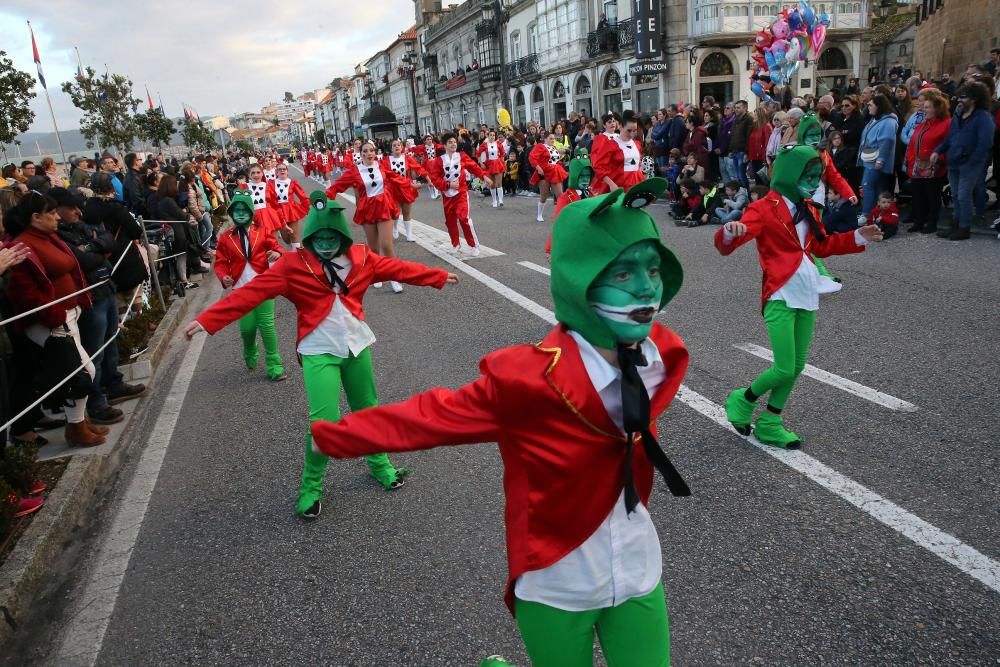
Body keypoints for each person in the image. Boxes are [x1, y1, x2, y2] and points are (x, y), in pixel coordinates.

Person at [310, 178, 691, 667]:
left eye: (654, 269)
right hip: (557, 577)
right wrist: (335, 437)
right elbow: (432, 416)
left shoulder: (661, 356)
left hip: (639, 568)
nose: (646, 288)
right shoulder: (527, 380)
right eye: (621, 274)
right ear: (580, 277)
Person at [185, 192, 459, 519]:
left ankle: (380, 464)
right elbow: (250, 294)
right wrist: (207, 319)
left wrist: (437, 276)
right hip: (318, 350)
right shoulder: (291, 265)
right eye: (319, 237)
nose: (326, 243)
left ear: (343, 236)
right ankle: (311, 487)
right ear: (310, 237)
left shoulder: (361, 257)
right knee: (323, 423)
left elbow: (397, 268)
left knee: (368, 411)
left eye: (332, 237)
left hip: (356, 344)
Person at [717, 145, 883, 447]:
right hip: (780, 293)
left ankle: (771, 422)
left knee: (796, 367)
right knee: (783, 366)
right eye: (808, 177)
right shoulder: (763, 208)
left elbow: (819, 246)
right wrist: (731, 230)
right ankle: (743, 398)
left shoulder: (809, 209)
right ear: (790, 174)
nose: (814, 183)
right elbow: (727, 244)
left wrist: (858, 237)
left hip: (806, 291)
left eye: (817, 177)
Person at [5, 192, 108, 447]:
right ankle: (75, 426)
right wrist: (55, 315)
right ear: (35, 218)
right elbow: (25, 294)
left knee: (80, 370)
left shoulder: (50, 237)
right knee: (82, 371)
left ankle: (79, 423)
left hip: (69, 314)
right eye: (51, 213)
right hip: (52, 320)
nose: (56, 217)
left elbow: (73, 265)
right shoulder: (21, 246)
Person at [211, 189, 286, 382]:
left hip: (263, 286)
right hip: (241, 289)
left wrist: (277, 253)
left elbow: (276, 247)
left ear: (251, 212)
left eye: (245, 209)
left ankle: (274, 365)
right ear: (232, 213)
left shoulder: (262, 231)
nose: (241, 213)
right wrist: (224, 276)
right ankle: (250, 349)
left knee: (267, 326)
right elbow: (220, 262)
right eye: (237, 210)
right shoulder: (226, 238)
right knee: (247, 329)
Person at [326, 141, 411, 293]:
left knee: (387, 244)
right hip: (367, 209)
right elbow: (338, 185)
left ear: (375, 152)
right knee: (374, 247)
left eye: (371, 150)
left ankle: (394, 277)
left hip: (384, 206)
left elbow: (394, 177)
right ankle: (377, 274)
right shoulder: (354, 171)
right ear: (361, 154)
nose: (369, 153)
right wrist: (325, 198)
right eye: (365, 151)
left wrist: (411, 184)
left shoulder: (381, 165)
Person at [931, 82, 995, 241]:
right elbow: (950, 137)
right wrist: (938, 151)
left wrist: (973, 161)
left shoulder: (983, 117)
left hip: (970, 164)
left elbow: (985, 142)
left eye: (963, 97)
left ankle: (964, 227)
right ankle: (955, 224)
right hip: (954, 161)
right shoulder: (958, 114)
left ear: (974, 99)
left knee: (963, 196)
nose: (959, 99)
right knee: (956, 195)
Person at [903, 88, 951, 234]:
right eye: (924, 107)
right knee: (918, 196)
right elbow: (912, 143)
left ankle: (931, 223)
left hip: (934, 167)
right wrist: (910, 161)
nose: (924, 110)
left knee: (932, 197)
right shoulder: (923, 124)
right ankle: (919, 221)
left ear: (937, 108)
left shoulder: (946, 123)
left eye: (928, 107)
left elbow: (948, 145)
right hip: (917, 166)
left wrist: (939, 159)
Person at [156, 174, 202, 291]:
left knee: (178, 257)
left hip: (172, 231)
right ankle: (184, 281)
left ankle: (183, 280)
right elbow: (181, 215)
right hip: (177, 232)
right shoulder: (168, 201)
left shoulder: (161, 199)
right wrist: (185, 211)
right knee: (181, 256)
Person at [857, 94, 899, 215]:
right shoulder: (875, 119)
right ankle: (876, 214)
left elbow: (887, 141)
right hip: (870, 159)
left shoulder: (888, 121)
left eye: (870, 105)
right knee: (876, 188)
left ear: (878, 106)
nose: (868, 107)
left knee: (868, 185)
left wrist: (881, 160)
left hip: (875, 161)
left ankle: (866, 214)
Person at [381, 138, 426, 242]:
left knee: (407, 213)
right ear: (391, 149)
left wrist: (424, 178)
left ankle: (409, 234)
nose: (397, 146)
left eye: (399, 145)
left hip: (406, 188)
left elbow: (416, 171)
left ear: (402, 147)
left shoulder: (407, 158)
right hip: (393, 190)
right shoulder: (386, 160)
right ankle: (395, 227)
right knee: (396, 213)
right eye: (394, 145)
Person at [590, 112, 644, 198]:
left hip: (635, 184)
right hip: (618, 186)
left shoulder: (637, 144)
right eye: (629, 130)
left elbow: (636, 164)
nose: (632, 134)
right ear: (621, 126)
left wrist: (640, 169)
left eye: (634, 130)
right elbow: (598, 166)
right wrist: (611, 184)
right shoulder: (610, 144)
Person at [529, 133, 569, 223]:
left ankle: (562, 216)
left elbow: (556, 160)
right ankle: (539, 214)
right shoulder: (540, 146)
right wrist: (538, 168)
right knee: (544, 195)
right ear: (545, 139)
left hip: (554, 172)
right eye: (551, 138)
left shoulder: (554, 147)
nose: (553, 140)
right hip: (544, 172)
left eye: (554, 138)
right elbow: (532, 157)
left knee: (560, 195)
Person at [270, 163, 310, 246]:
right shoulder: (271, 184)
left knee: (294, 235)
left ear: (287, 171)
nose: (282, 171)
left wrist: (308, 207)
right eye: (279, 169)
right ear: (276, 172)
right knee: (286, 239)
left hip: (291, 210)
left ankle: (297, 254)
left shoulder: (292, 183)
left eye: (284, 169)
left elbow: (302, 196)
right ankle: (293, 247)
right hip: (278, 212)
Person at [476, 130, 507, 209]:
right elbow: (478, 153)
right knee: (492, 184)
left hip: (498, 164)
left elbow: (503, 153)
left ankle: (500, 200)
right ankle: (494, 200)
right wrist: (481, 163)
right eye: (490, 135)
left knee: (499, 183)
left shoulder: (498, 144)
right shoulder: (485, 145)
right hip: (489, 165)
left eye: (493, 135)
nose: (492, 137)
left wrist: (502, 161)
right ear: (488, 136)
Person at [728, 100, 753, 189]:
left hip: (742, 151)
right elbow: (732, 135)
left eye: (738, 107)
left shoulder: (749, 119)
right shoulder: (735, 119)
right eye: (735, 107)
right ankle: (741, 195)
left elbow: (748, 137)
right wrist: (730, 149)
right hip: (735, 150)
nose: (736, 109)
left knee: (741, 175)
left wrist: (746, 152)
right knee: (737, 176)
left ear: (745, 108)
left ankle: (747, 195)